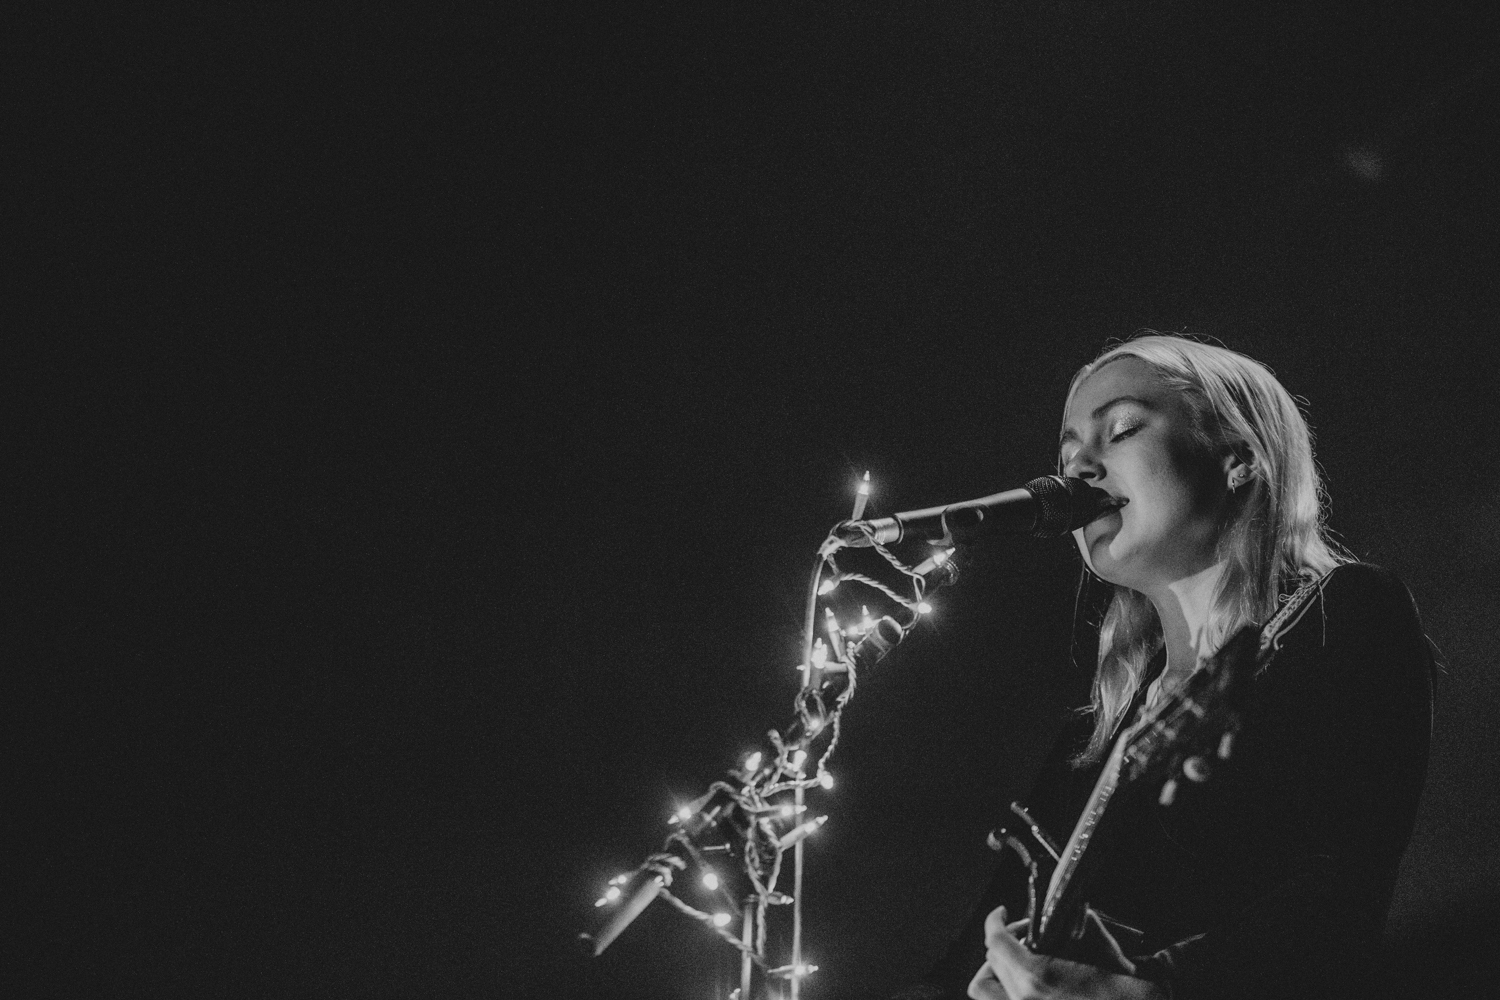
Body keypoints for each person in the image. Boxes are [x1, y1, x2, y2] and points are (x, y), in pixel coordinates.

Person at [909, 334, 1433, 1000]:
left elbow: (1336, 896)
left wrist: (1147, 992)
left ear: (1238, 460)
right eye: (1068, 454)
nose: (1077, 472)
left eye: (1121, 429)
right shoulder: (1095, 736)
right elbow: (962, 962)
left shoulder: (1346, 611)